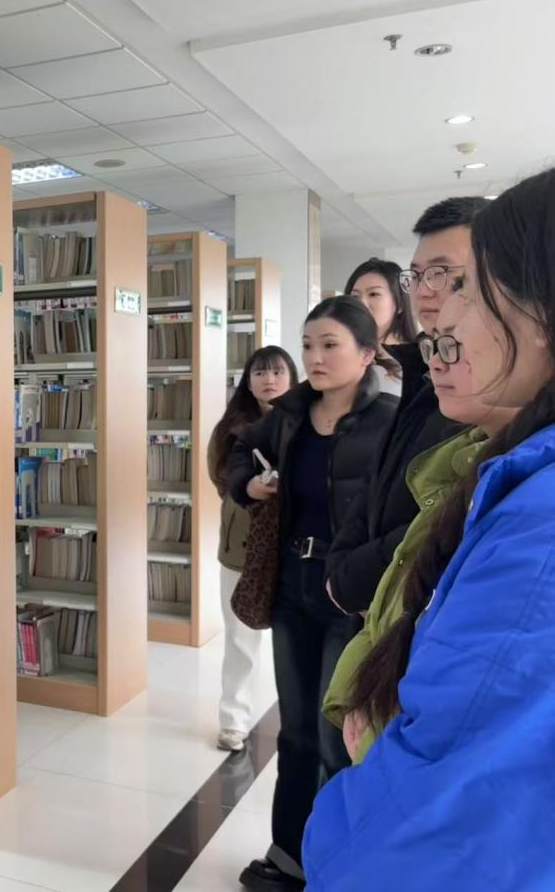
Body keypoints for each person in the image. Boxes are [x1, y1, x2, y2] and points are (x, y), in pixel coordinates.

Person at [304, 167, 555, 890]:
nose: (442, 314)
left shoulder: (537, 526)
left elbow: (432, 820)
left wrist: (369, 769)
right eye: (424, 280)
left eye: (469, 287)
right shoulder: (505, 467)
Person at [228, 296, 397, 892]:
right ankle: (288, 856)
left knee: (336, 738)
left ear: (367, 354)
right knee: (296, 732)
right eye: (308, 345)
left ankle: (335, 861)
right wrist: (248, 485)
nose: (315, 357)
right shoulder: (291, 415)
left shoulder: (390, 420)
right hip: (292, 590)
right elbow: (236, 454)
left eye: (330, 345)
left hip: (350, 598)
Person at [322, 299, 519, 761]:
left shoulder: (515, 490)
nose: (438, 361)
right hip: (363, 647)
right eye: (434, 345)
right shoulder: (457, 460)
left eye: (455, 343)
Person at [324, 197, 488, 621]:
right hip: (377, 600)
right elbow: (378, 479)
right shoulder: (422, 371)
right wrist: (342, 564)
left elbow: (447, 514)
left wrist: (354, 577)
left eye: (441, 272)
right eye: (416, 276)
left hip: (420, 606)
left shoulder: (489, 385)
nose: (425, 290)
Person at [206, 346, 298, 752]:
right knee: (240, 638)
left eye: (277, 372)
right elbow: (220, 477)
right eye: (259, 373)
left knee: (294, 641)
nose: (268, 380)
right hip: (241, 546)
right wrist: (248, 492)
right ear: (247, 381)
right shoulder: (230, 428)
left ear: (292, 377)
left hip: (294, 545)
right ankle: (234, 721)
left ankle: (299, 721)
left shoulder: (311, 420)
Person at [342, 258, 413, 395]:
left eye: (374, 294)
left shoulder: (418, 359)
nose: (362, 304)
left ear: (399, 304)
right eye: (355, 296)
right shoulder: (342, 354)